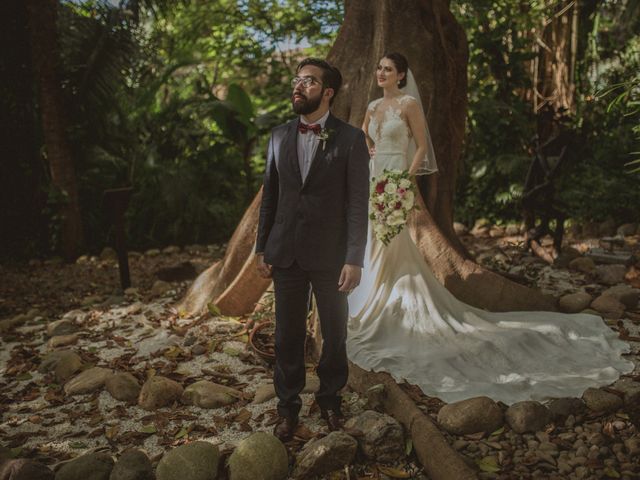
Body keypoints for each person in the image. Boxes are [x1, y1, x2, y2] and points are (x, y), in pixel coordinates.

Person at [347, 52, 634, 405]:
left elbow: (421, 146)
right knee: (372, 240)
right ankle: (365, 302)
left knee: (394, 244)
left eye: (387, 69)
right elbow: (362, 137)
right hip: (375, 180)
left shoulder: (408, 104)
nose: (380, 73)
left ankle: (391, 303)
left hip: (397, 181)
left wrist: (404, 179)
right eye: (378, 68)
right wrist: (371, 154)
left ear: (402, 74)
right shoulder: (373, 106)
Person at [255, 58, 369, 441]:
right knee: (287, 334)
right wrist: (261, 248)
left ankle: (331, 400)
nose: (298, 86)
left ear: (328, 91)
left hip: (332, 256)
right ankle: (287, 408)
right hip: (284, 252)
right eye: (297, 80)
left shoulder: (351, 139)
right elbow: (270, 197)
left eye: (308, 81)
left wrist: (354, 258)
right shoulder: (277, 136)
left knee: (335, 333)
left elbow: (358, 203)